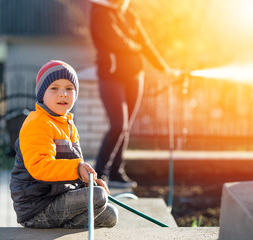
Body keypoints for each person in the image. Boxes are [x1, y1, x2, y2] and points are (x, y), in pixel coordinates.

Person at [10, 60, 118, 228]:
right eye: (54, 88)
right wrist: (77, 168)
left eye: (69, 88)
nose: (63, 94)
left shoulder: (68, 125)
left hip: (59, 198)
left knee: (111, 215)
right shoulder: (37, 123)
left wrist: (89, 181)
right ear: (42, 94)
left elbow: (72, 171)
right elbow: (40, 167)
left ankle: (66, 225)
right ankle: (63, 227)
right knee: (98, 197)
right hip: (37, 207)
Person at [90, 0, 175, 188]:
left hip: (135, 78)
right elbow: (117, 41)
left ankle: (116, 173)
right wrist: (136, 46)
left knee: (126, 128)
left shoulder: (129, 15)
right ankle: (100, 172)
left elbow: (146, 43)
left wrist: (164, 68)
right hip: (111, 77)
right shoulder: (99, 13)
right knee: (118, 125)